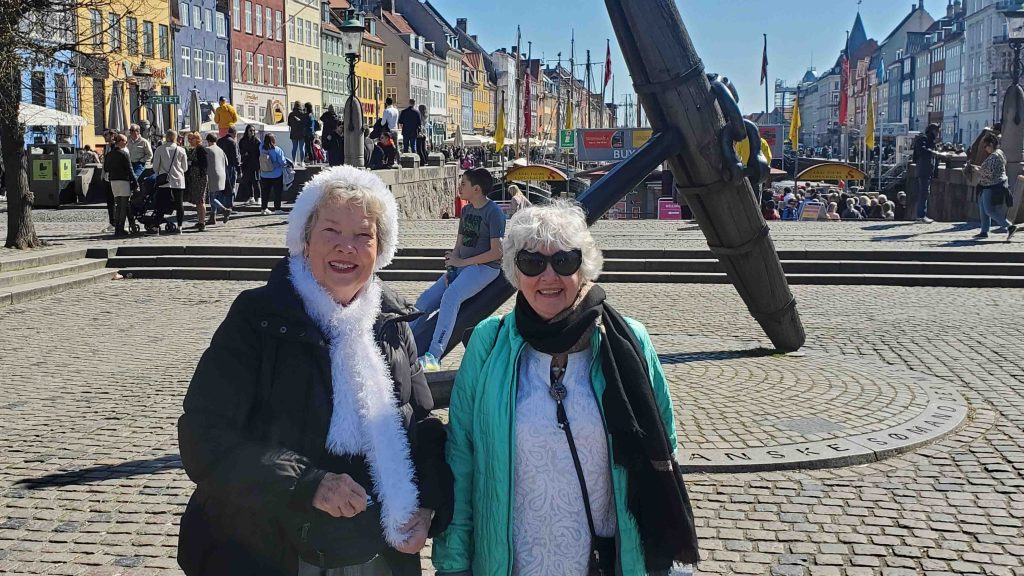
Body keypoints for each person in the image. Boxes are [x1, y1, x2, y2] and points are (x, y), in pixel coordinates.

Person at [177, 166, 452, 576]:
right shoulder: (257, 318)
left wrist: (427, 503)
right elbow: (204, 435)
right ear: (305, 241)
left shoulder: (392, 325)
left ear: (381, 248)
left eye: (363, 235)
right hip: (270, 550)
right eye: (331, 231)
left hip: (376, 553)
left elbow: (420, 423)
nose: (346, 247)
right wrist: (309, 483)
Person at [432, 200, 699, 576]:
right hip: (510, 562)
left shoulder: (628, 342)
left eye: (563, 261)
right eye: (531, 262)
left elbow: (663, 447)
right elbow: (461, 456)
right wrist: (454, 563)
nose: (548, 276)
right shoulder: (488, 343)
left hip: (604, 561)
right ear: (514, 271)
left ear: (583, 266)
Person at [413, 168, 504, 371]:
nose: (459, 187)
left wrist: (464, 263)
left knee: (451, 297)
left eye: (463, 184)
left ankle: (434, 356)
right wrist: (453, 266)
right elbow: (460, 242)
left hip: (485, 268)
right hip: (462, 266)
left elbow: (497, 252)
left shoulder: (493, 212)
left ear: (476, 189)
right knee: (424, 301)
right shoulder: (466, 210)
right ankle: (405, 342)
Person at [969, 133, 1018, 241]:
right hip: (990, 185)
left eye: (985, 146)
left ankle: (1009, 226)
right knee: (983, 209)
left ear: (991, 144)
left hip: (991, 186)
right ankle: (984, 231)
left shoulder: (994, 156)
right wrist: (979, 168)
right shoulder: (1000, 153)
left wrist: (977, 170)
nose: (985, 149)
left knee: (989, 210)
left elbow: (989, 173)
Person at [912, 123, 953, 224]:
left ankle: (921, 215)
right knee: (923, 193)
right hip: (923, 170)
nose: (938, 134)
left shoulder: (929, 140)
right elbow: (922, 150)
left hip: (926, 170)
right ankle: (920, 216)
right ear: (933, 131)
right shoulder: (923, 139)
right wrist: (935, 153)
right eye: (938, 132)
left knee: (925, 193)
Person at [103, 133, 139, 237]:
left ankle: (117, 228)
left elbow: (106, 168)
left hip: (113, 181)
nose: (127, 143)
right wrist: (135, 183)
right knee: (123, 206)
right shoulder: (124, 154)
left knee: (118, 205)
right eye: (125, 142)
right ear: (120, 142)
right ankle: (120, 228)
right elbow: (130, 170)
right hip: (123, 181)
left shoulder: (109, 155)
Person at [152, 129, 188, 233]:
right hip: (178, 180)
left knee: (161, 204)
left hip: (164, 181)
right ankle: (180, 226)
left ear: (166, 137)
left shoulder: (160, 149)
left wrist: (160, 172)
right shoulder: (181, 150)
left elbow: (155, 167)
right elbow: (185, 168)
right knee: (179, 204)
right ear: (176, 138)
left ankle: (156, 226)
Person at [183, 132, 210, 231]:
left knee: (201, 200)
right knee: (197, 201)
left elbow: (204, 164)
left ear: (197, 139)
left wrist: (192, 163)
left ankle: (202, 222)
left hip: (200, 178)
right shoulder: (194, 149)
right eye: (189, 139)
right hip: (194, 177)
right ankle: (200, 221)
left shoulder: (200, 149)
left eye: (192, 139)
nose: (190, 141)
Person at [205, 133, 230, 226]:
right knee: (215, 196)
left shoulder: (207, 149)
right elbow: (227, 163)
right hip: (221, 175)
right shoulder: (220, 150)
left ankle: (224, 210)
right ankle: (213, 217)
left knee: (212, 198)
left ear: (208, 141)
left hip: (212, 175)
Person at [259, 133, 287, 215]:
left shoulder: (261, 148)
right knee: (277, 192)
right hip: (276, 174)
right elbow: (282, 162)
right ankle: (277, 208)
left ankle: (264, 208)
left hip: (264, 174)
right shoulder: (277, 150)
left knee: (265, 193)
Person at [238, 125, 262, 206]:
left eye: (253, 131)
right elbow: (240, 150)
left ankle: (259, 198)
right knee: (248, 181)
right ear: (247, 131)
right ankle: (251, 197)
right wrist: (244, 154)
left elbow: (259, 153)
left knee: (256, 181)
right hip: (246, 163)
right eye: (250, 130)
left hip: (255, 164)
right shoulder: (243, 141)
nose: (252, 132)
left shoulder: (257, 141)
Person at [217, 126, 241, 206]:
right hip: (231, 167)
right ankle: (229, 206)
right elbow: (236, 157)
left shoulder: (219, 141)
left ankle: (221, 206)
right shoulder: (233, 142)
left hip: (221, 166)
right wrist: (239, 170)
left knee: (221, 187)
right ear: (234, 133)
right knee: (230, 187)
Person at [288, 101, 308, 168]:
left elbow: (289, 124)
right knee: (301, 148)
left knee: (294, 148)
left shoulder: (291, 114)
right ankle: (302, 162)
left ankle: (294, 161)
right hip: (301, 133)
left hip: (293, 132)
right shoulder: (303, 114)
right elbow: (305, 124)